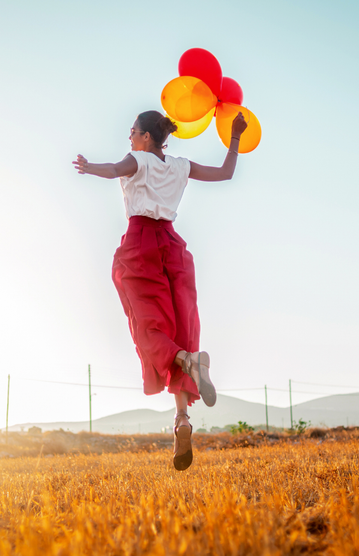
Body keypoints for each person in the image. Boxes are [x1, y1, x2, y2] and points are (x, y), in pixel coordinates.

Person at [72, 109, 247, 470]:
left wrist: (89, 167)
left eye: (133, 131)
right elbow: (226, 173)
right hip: (174, 247)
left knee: (149, 327)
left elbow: (115, 169)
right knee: (182, 328)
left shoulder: (137, 159)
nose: (130, 137)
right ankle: (182, 418)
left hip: (141, 245)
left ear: (146, 137)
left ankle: (186, 362)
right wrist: (235, 137)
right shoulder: (180, 166)